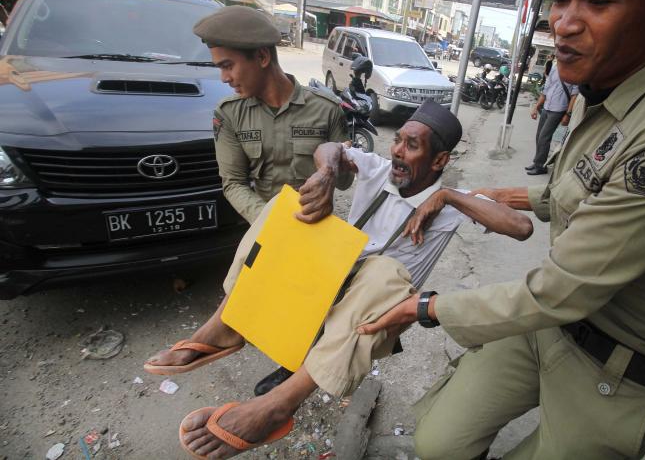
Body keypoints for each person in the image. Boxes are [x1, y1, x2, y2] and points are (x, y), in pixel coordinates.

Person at [357, 0, 645, 458]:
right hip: (550, 330)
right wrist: (475, 193)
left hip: (620, 366)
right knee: (439, 442)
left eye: (598, 0)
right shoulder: (608, 86)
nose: (563, 24)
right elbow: (573, 190)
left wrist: (422, 307)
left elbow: (559, 290)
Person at [148, 100, 533, 459]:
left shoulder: (453, 204)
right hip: (330, 277)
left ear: (440, 160)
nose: (397, 150)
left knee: (382, 272)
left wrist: (447, 197)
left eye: (411, 145)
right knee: (285, 208)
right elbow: (330, 148)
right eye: (397, 140)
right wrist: (328, 172)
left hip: (379, 304)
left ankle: (277, 407)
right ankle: (225, 326)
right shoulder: (379, 169)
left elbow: (521, 227)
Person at [194, 5, 351, 224]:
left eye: (228, 66)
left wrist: (335, 163)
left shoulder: (327, 109)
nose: (224, 78)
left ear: (262, 57)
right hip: (265, 227)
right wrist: (271, 220)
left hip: (317, 229)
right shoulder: (229, 114)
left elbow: (345, 182)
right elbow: (233, 183)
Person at [526, 63, 579, 175]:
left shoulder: (575, 70)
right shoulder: (555, 66)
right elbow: (546, 89)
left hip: (559, 109)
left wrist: (568, 114)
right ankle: (537, 162)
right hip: (547, 106)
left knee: (544, 137)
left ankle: (540, 166)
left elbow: (574, 95)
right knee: (539, 136)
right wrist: (536, 107)